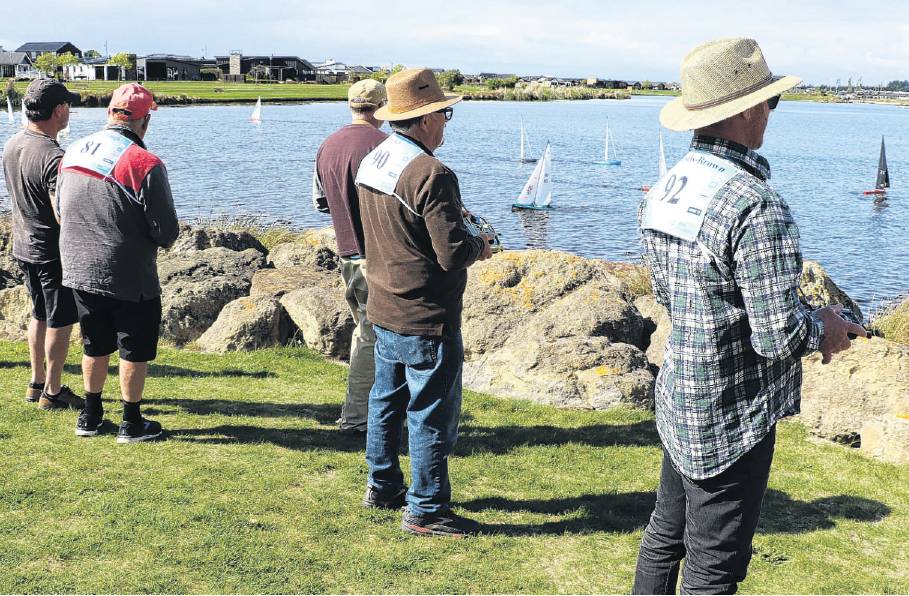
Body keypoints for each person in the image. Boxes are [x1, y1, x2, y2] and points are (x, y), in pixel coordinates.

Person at [633, 38, 868, 594]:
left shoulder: (667, 186)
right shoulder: (754, 203)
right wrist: (828, 326)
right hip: (731, 412)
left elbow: (683, 293)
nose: (770, 114)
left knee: (665, 536)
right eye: (771, 102)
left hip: (680, 391)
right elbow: (776, 336)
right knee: (715, 566)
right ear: (744, 109)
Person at [355, 68, 493, 537]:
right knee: (430, 411)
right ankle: (428, 508)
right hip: (425, 313)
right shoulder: (431, 172)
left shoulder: (375, 159)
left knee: (385, 400)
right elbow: (452, 254)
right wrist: (482, 245)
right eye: (445, 114)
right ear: (426, 118)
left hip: (384, 302)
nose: (447, 123)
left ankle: (382, 485)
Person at [55, 83, 180, 443]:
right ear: (144, 121)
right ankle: (131, 421)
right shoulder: (146, 163)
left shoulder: (73, 151)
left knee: (94, 342)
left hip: (78, 266)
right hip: (128, 271)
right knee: (133, 347)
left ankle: (90, 415)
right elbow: (166, 229)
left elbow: (61, 209)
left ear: (110, 112)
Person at [312, 79, 388, 435]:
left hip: (347, 254)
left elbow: (322, 202)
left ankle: (379, 413)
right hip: (379, 257)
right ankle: (357, 418)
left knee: (368, 333)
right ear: (383, 107)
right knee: (371, 338)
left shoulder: (328, 145)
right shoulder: (386, 147)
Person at [2, 79, 83, 410]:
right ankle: (52, 391)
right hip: (51, 251)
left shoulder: (13, 143)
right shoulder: (54, 156)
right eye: (69, 107)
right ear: (60, 110)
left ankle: (36, 382)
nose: (71, 113)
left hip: (23, 245)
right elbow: (60, 213)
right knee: (59, 321)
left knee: (39, 314)